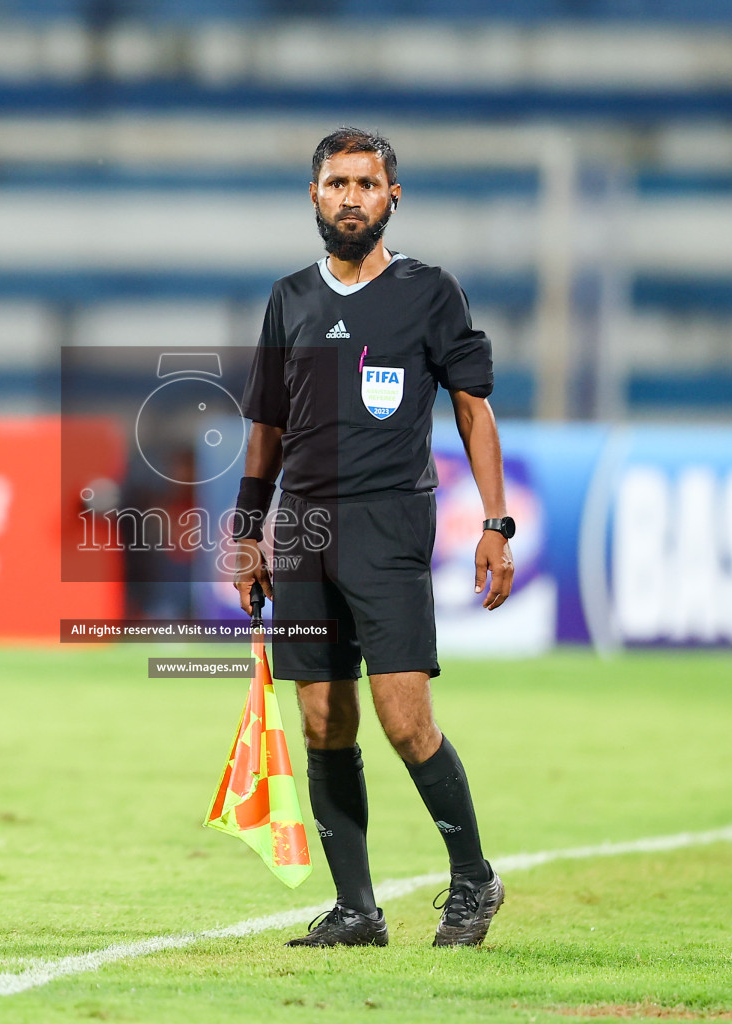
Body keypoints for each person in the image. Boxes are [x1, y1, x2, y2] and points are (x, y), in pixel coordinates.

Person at [231, 127, 516, 949]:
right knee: (322, 720)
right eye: (335, 183)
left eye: (366, 183)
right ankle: (357, 910)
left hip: (389, 527)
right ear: (314, 196)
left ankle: (473, 882)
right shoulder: (289, 299)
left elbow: (473, 409)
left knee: (404, 722)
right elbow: (266, 429)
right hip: (304, 532)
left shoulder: (430, 294)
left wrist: (495, 524)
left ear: (393, 197)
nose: (350, 196)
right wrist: (248, 532)